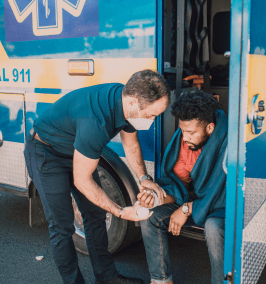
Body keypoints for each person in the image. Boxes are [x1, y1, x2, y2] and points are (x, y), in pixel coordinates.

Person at [24, 70, 170, 284]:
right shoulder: (96, 121)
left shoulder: (127, 102)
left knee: (95, 216)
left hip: (75, 149)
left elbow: (130, 144)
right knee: (62, 226)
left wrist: (143, 178)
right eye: (151, 115)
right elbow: (82, 180)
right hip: (46, 152)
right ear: (132, 103)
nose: (152, 120)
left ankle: (107, 277)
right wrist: (121, 212)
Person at [139, 89, 227, 284]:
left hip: (219, 206)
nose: (184, 137)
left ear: (210, 128)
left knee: (213, 227)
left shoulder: (227, 143)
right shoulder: (183, 142)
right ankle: (161, 280)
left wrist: (187, 209)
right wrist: (158, 196)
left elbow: (221, 195)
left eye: (191, 132)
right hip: (191, 200)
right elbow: (178, 185)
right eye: (182, 130)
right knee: (149, 215)